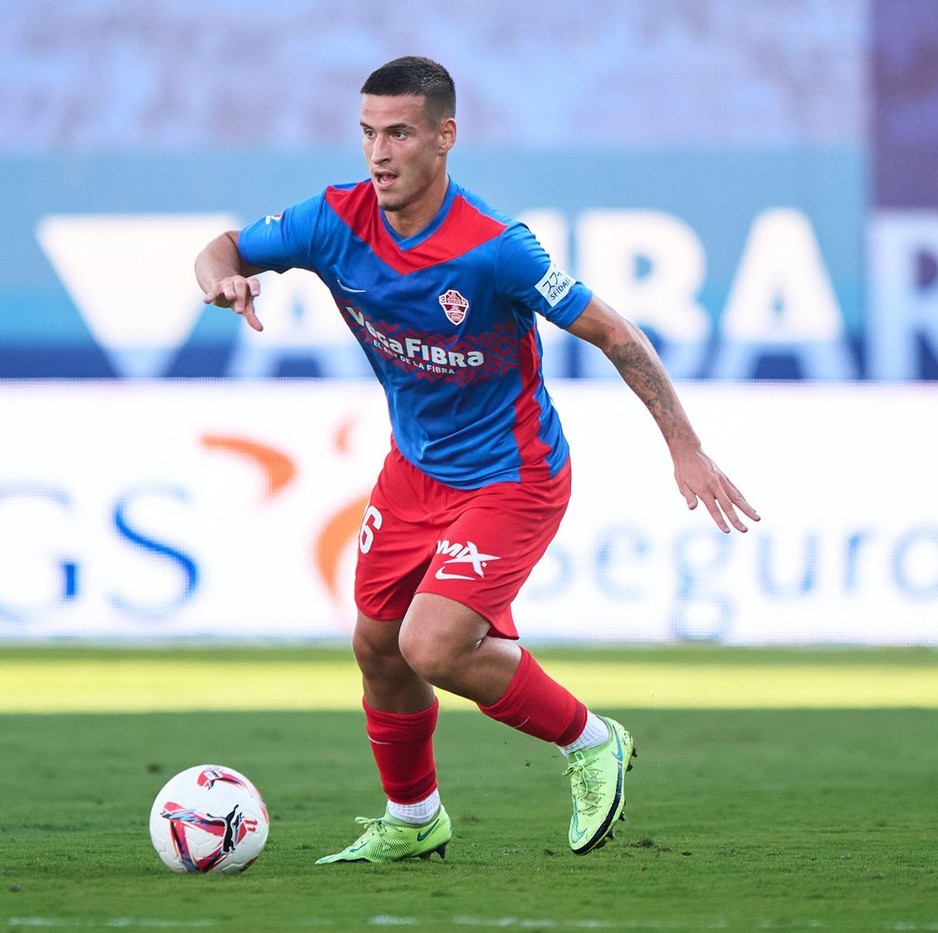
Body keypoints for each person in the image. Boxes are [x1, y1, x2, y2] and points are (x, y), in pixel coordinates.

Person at [193, 55, 759, 864]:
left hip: (513, 475)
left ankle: (593, 742)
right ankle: (415, 816)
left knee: (433, 644)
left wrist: (686, 447)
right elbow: (219, 249)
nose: (378, 154)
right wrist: (222, 282)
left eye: (399, 133)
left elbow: (616, 333)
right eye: (366, 133)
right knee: (377, 647)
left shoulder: (496, 248)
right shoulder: (332, 222)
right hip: (414, 470)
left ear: (444, 137)